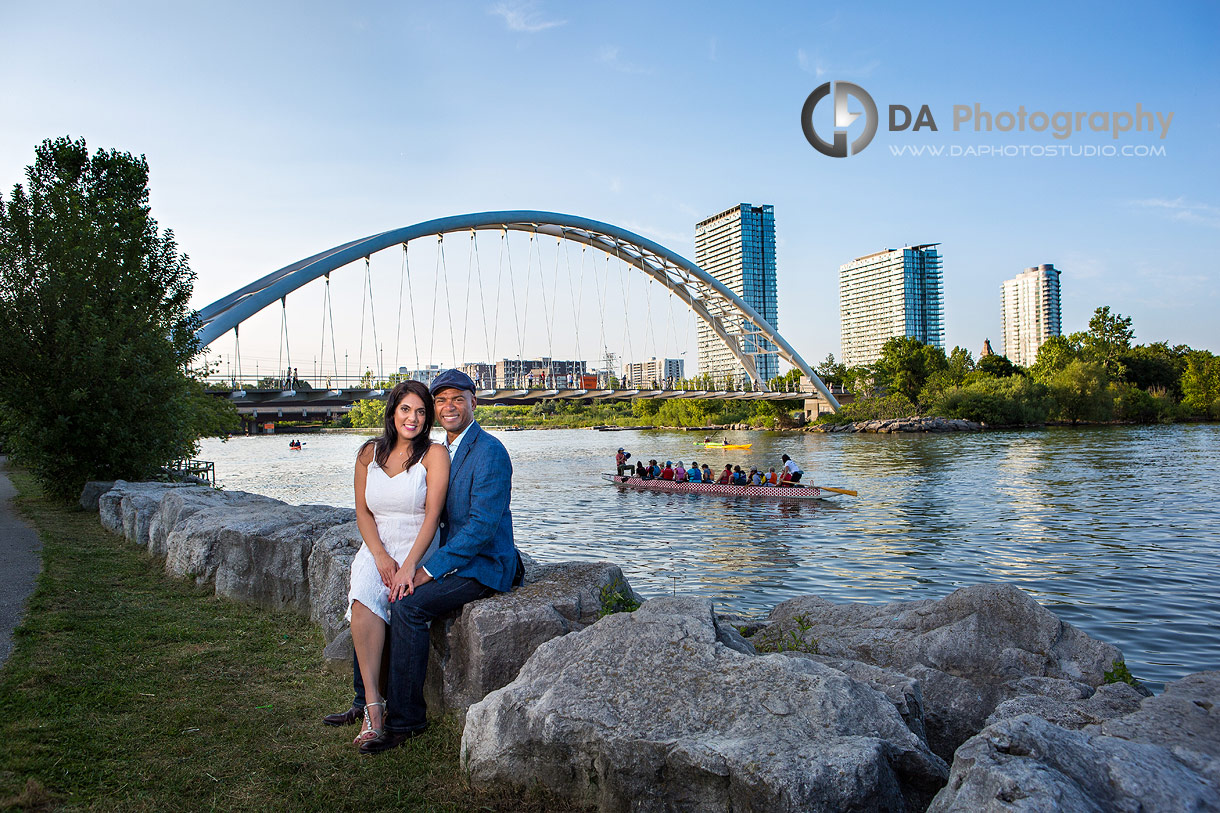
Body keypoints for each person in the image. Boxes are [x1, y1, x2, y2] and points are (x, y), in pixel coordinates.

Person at [327, 369, 521, 755]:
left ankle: (405, 720)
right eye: (442, 400)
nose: (449, 406)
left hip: (482, 564)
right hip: (447, 556)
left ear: (473, 403)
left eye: (458, 399)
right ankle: (363, 701)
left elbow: (481, 529)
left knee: (408, 605)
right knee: (373, 596)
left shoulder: (489, 451)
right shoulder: (439, 450)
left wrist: (426, 570)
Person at [342, 380, 449, 748]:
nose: (413, 418)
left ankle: (394, 708)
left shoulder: (434, 455)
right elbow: (362, 512)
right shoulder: (368, 454)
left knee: (401, 598)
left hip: (418, 542)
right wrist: (381, 556)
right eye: (406, 409)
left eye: (421, 411)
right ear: (392, 412)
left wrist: (408, 567)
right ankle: (373, 708)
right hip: (378, 543)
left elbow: (433, 517)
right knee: (364, 598)